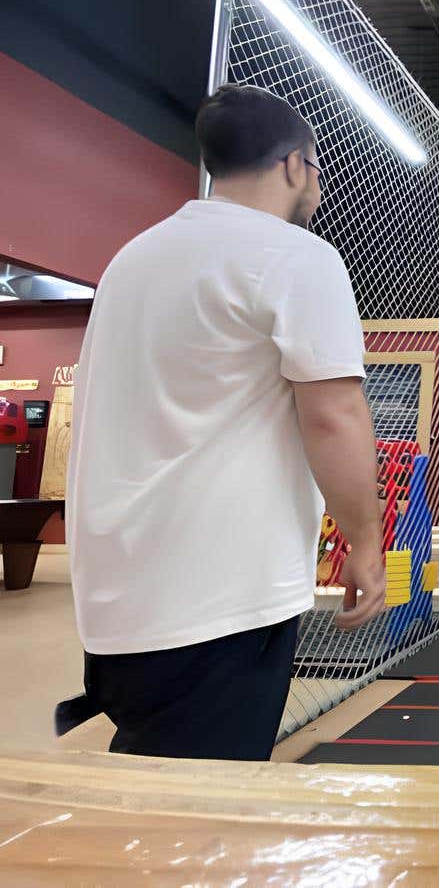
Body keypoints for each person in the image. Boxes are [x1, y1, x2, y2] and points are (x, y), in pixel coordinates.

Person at [58, 84, 387, 761]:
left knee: (152, 794)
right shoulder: (300, 257)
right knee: (193, 833)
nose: (317, 183)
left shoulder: (134, 258)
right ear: (295, 164)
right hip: (220, 603)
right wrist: (365, 543)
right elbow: (335, 416)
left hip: (116, 605)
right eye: (317, 167)